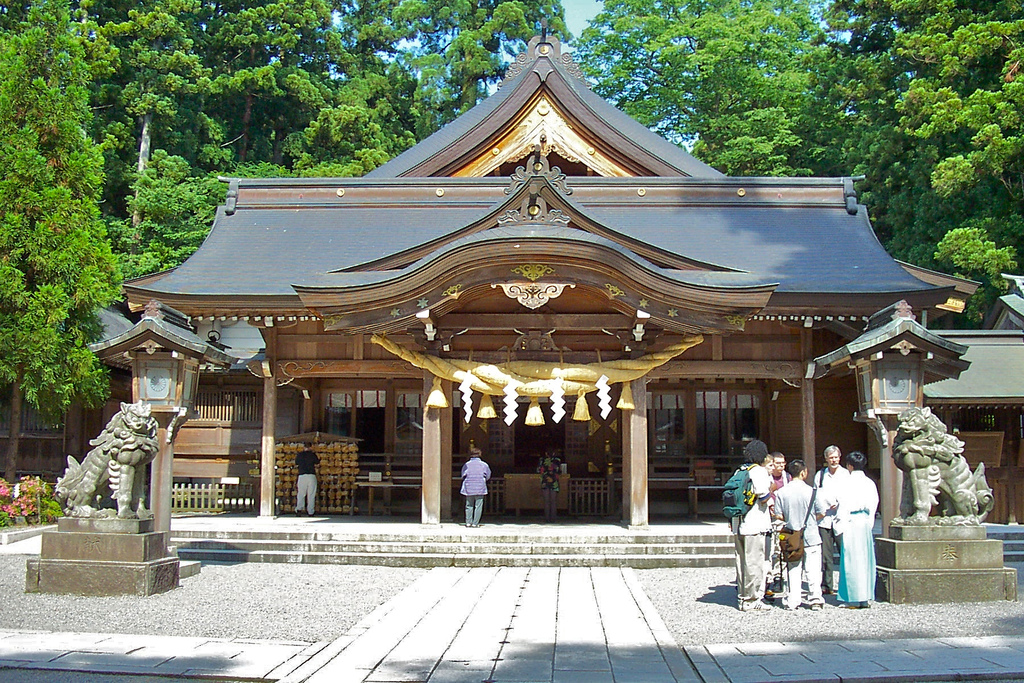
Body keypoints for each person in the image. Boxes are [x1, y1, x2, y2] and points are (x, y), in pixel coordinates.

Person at [773, 459, 827, 611]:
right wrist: (810, 520)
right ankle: (815, 598)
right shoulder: (812, 491)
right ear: (803, 473)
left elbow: (778, 515)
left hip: (792, 535)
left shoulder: (781, 493)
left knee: (793, 568)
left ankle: (793, 600)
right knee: (813, 569)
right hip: (811, 534)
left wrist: (791, 519)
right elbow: (822, 512)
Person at [732, 439, 773, 612]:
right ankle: (752, 599)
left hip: (738, 522)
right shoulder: (759, 472)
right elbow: (764, 498)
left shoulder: (740, 470)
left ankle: (742, 596)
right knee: (754, 562)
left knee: (741, 562)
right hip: (755, 523)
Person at [835, 450, 878, 608]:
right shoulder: (869, 483)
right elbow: (874, 504)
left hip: (851, 521)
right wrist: (869, 522)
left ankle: (853, 599)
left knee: (851, 560)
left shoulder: (846, 482)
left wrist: (839, 525)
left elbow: (842, 505)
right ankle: (865, 597)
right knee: (865, 560)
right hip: (864, 521)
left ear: (849, 466)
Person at [814, 444, 850, 594]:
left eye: (836, 457)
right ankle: (827, 584)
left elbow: (849, 494)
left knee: (845, 552)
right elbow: (816, 494)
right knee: (826, 554)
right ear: (826, 459)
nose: (834, 460)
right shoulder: (820, 475)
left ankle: (846, 583)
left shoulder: (846, 474)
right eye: (831, 458)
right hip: (824, 519)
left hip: (841, 519)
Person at [460, 447, 491, 528]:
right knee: (478, 506)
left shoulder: (467, 464)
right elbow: (488, 476)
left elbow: (463, 475)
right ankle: (475, 523)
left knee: (469, 505)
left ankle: (468, 522)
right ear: (480, 455)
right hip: (480, 487)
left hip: (469, 487)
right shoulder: (484, 465)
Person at [538, 450, 562, 523]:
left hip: (545, 481)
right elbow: (559, 471)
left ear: (546, 453)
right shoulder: (557, 460)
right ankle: (553, 519)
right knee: (553, 501)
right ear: (554, 453)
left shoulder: (542, 460)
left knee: (546, 501)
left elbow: (539, 470)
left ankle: (547, 519)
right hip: (554, 481)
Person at [295, 448, 320, 516]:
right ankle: (310, 512)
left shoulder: (300, 455)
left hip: (302, 475)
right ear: (311, 447)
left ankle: (299, 509)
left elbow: (296, 463)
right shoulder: (312, 454)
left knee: (301, 493)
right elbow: (317, 463)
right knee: (311, 494)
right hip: (311, 475)